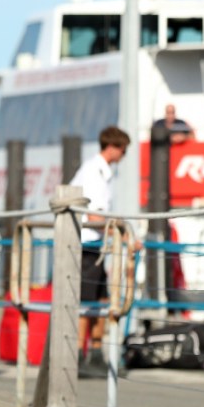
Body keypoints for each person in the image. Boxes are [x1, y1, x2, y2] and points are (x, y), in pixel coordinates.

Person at [69, 126, 134, 378]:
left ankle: (95, 353)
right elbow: (94, 215)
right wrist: (123, 236)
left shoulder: (100, 172)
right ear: (113, 147)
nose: (124, 155)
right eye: (123, 150)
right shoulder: (94, 172)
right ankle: (77, 355)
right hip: (85, 245)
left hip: (95, 246)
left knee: (100, 300)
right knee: (85, 302)